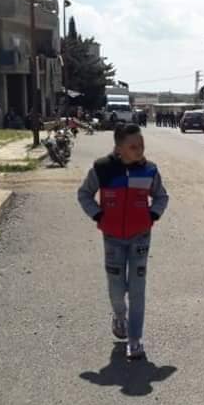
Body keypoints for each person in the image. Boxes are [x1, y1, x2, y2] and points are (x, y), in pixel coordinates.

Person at [77, 124, 169, 360]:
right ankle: (119, 315)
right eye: (133, 147)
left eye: (142, 146)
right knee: (116, 287)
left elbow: (161, 196)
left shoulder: (149, 170)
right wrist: (98, 215)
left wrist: (152, 215)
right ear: (119, 148)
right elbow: (84, 194)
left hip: (140, 237)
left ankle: (135, 339)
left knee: (137, 289)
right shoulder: (103, 169)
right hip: (113, 238)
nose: (139, 151)